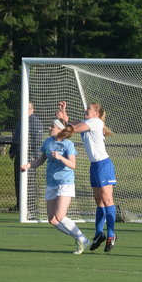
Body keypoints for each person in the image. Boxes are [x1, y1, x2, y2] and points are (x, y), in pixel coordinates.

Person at [21, 118, 91, 254]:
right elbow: (41, 159)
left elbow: (73, 165)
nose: (49, 128)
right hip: (51, 182)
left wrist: (60, 157)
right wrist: (28, 166)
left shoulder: (68, 144)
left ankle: (82, 238)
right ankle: (81, 239)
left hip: (65, 182)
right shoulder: (48, 141)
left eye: (52, 126)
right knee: (52, 220)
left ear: (59, 129)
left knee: (60, 215)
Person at [57, 101, 117, 252]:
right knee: (98, 200)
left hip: (103, 165)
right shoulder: (87, 122)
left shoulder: (95, 122)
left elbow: (73, 129)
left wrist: (62, 131)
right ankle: (99, 233)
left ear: (96, 113)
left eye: (89, 108)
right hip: (95, 166)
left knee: (107, 200)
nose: (86, 109)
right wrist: (64, 114)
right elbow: (70, 124)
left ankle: (111, 235)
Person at [9, 101, 43, 215]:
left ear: (32, 109)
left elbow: (37, 140)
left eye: (28, 108)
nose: (25, 110)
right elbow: (16, 137)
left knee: (29, 181)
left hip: (29, 155)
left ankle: (30, 206)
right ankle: (20, 204)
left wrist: (35, 156)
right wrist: (12, 151)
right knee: (18, 180)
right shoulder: (21, 121)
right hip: (19, 154)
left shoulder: (35, 122)